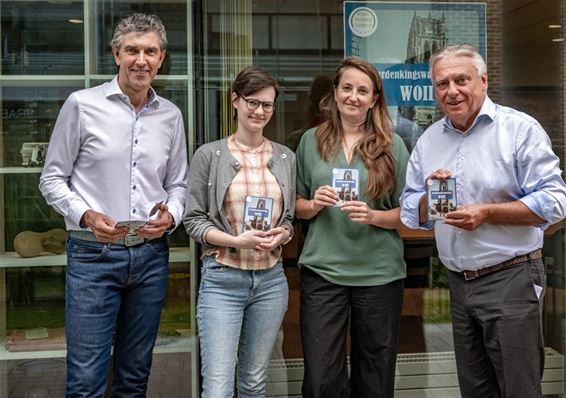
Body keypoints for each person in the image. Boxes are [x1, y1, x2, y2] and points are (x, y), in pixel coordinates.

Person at [400, 44, 566, 398]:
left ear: (484, 81)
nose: (451, 91)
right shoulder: (429, 141)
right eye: (442, 83)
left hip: (512, 278)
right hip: (458, 285)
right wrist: (431, 197)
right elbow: (409, 209)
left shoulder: (519, 130)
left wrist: (487, 213)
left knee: (518, 388)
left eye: (462, 79)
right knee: (475, 389)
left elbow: (554, 202)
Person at [39, 13, 188, 396]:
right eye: (132, 50)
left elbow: (178, 184)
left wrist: (172, 214)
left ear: (162, 57)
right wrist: (85, 214)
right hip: (93, 256)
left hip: (150, 255)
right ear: (116, 54)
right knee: (86, 380)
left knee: (134, 377)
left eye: (150, 51)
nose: (142, 60)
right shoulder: (82, 105)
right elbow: (52, 178)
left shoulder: (171, 116)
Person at [295, 56, 409, 398]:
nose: (353, 97)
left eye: (363, 90)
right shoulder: (309, 141)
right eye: (347, 88)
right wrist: (314, 204)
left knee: (375, 376)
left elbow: (407, 214)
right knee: (320, 377)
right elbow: (296, 207)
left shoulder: (393, 145)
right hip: (323, 271)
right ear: (334, 92)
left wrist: (374, 216)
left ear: (374, 98)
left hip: (379, 273)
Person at [183, 65, 296, 397]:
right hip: (222, 279)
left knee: (253, 382)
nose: (259, 111)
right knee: (217, 387)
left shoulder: (285, 157)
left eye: (267, 105)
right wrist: (235, 240)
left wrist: (283, 235)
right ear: (235, 101)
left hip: (270, 281)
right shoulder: (210, 155)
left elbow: (289, 219)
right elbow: (193, 221)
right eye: (252, 102)